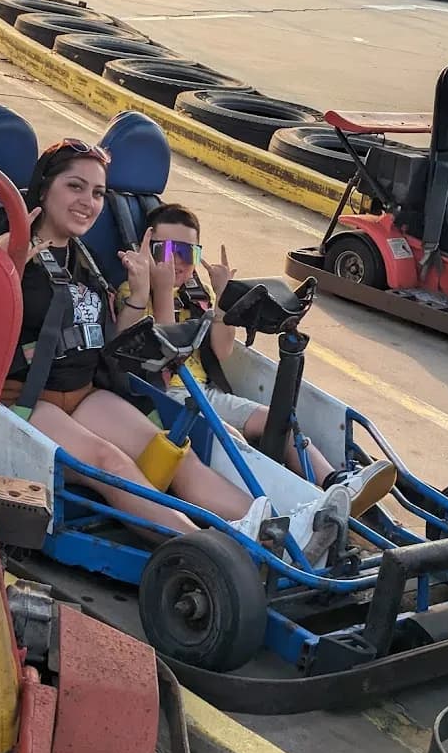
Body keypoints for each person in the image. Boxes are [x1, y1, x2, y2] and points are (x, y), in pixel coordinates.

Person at [0, 138, 348, 562]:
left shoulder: (84, 258)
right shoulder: (7, 249)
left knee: (173, 457)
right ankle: (208, 554)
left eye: (97, 192)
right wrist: (3, 276)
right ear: (44, 188)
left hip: (85, 392)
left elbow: (115, 345)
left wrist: (138, 295)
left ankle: (281, 532)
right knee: (112, 463)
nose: (88, 202)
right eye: (75, 187)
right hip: (26, 401)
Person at [128, 203, 396, 519]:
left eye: (188, 254)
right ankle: (297, 508)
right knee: (232, 438)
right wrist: (160, 291)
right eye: (167, 251)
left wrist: (223, 301)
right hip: (166, 401)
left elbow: (223, 353)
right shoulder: (136, 291)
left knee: (275, 419)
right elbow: (161, 353)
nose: (177, 263)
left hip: (205, 393)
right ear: (146, 250)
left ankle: (335, 481)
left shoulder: (194, 296)